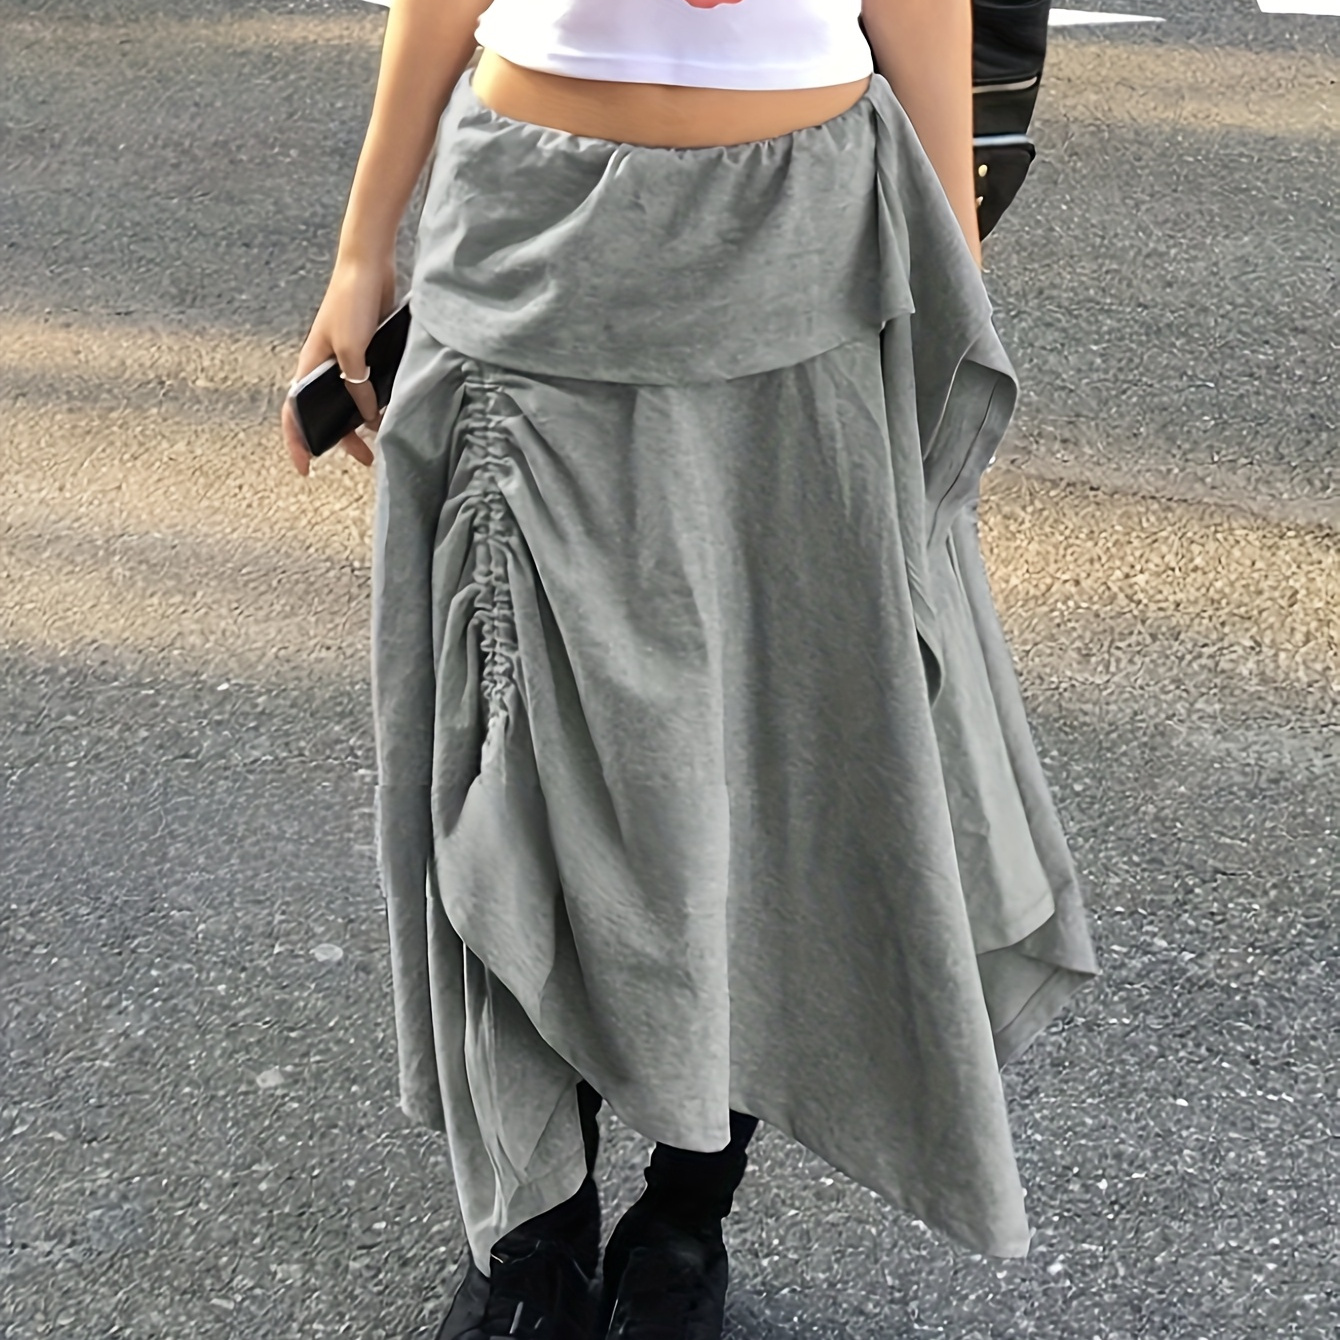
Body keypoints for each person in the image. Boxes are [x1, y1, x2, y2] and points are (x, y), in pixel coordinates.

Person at [280, 2, 1101, 1337]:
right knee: (509, 763)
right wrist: (361, 250)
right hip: (526, 249)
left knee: (765, 759)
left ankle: (686, 1217)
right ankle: (534, 1228)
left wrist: (948, 272)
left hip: (799, 262)